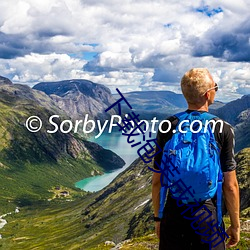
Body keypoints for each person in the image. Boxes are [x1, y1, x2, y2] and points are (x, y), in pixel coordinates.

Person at [152, 68, 240, 250]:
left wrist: (158, 218)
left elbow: (157, 182)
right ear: (208, 94)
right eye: (216, 87)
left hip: (174, 212)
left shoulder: (168, 125)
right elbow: (230, 185)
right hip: (207, 215)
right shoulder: (222, 129)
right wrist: (235, 226)